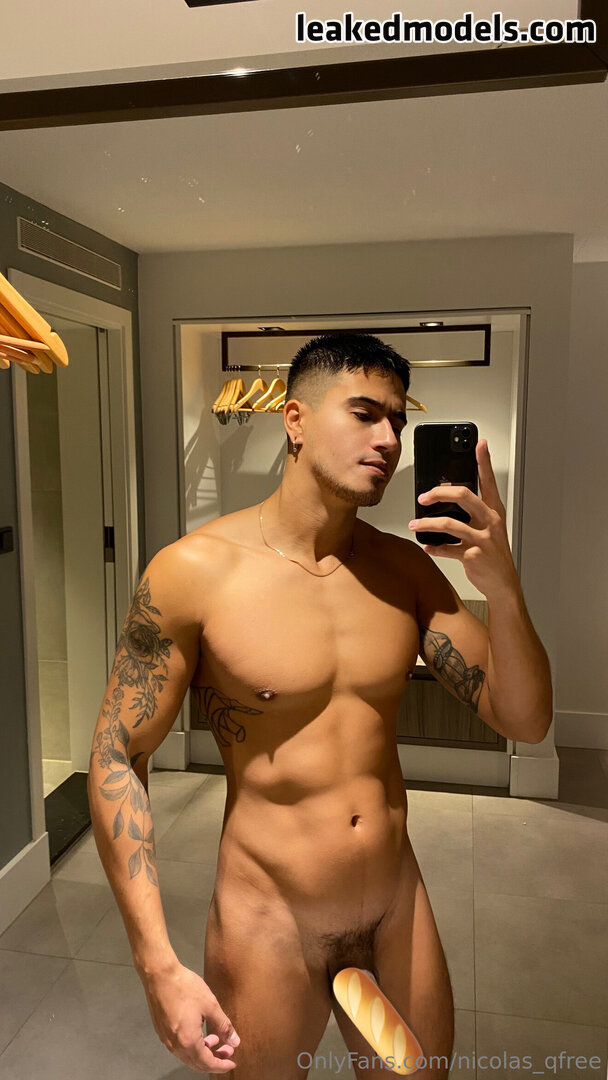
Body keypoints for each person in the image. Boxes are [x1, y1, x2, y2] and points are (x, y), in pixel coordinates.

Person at [87, 333, 553, 1079]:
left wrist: (501, 585)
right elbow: (118, 759)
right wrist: (157, 965)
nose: (388, 439)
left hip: (394, 912)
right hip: (269, 922)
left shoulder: (404, 571)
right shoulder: (192, 573)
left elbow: (524, 719)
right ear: (295, 420)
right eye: (364, 414)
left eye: (397, 420)